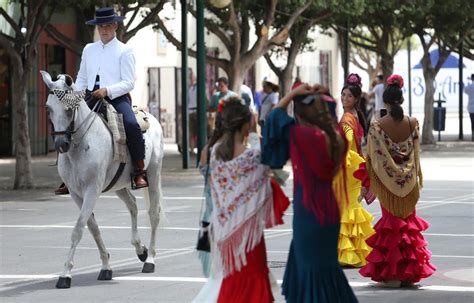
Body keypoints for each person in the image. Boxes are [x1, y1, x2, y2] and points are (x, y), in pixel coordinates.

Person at [262, 84, 358, 303]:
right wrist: (320, 95)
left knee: (310, 277)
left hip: (308, 214)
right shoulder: (336, 138)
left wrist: (293, 94)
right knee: (326, 271)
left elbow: (273, 119)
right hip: (329, 213)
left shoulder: (302, 136)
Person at [197, 98, 289, 303]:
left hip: (222, 232)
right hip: (249, 239)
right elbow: (275, 175)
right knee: (252, 286)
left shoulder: (214, 155)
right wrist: (256, 135)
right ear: (247, 124)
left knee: (228, 284)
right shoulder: (254, 158)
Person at [54, 7, 147, 194]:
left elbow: (129, 82)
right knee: (65, 121)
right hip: (88, 95)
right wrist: (72, 99)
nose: (103, 29)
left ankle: (139, 170)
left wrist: (107, 90)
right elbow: (81, 79)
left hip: (116, 97)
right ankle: (67, 176)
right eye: (101, 26)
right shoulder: (89, 49)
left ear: (114, 26)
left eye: (107, 26)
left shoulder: (125, 50)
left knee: (131, 125)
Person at [359, 74, 436, 287]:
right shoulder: (413, 123)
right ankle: (409, 271)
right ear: (402, 100)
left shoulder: (377, 126)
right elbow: (416, 153)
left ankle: (393, 274)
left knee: (392, 225)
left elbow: (373, 158)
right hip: (409, 182)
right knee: (407, 224)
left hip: (386, 183)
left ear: (385, 101)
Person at [337, 73, 374, 268]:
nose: (345, 99)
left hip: (347, 165)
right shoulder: (355, 116)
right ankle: (356, 252)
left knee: (347, 207)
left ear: (356, 98)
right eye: (343, 95)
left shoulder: (346, 118)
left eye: (349, 96)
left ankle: (348, 254)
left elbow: (348, 141)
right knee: (350, 206)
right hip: (355, 165)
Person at [464, 73, 474, 141]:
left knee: (472, 122)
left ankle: (473, 135)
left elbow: (465, 90)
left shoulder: (469, 87)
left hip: (471, 107)